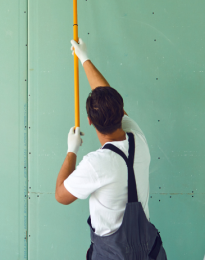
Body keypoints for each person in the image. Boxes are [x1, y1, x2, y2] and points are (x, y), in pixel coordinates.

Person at [55, 39, 166, 260]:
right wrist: (85, 58)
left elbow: (61, 196)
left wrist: (71, 151)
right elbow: (110, 100)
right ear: (121, 112)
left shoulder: (96, 164)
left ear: (89, 121)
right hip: (150, 254)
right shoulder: (138, 140)